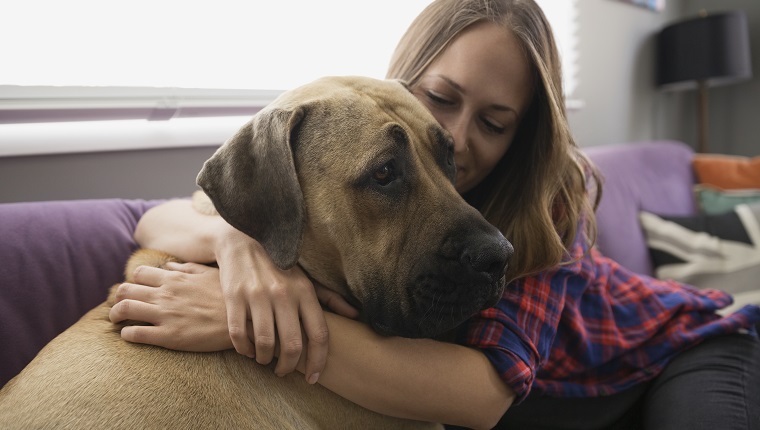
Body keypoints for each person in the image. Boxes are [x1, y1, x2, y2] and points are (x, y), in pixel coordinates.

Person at [108, 0, 760, 428]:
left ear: (521, 134)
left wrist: (245, 324)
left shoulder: (544, 203)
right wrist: (238, 243)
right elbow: (150, 217)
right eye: (441, 98)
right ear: (408, 79)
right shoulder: (351, 137)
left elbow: (481, 396)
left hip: (685, 347)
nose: (456, 137)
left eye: (496, 123)